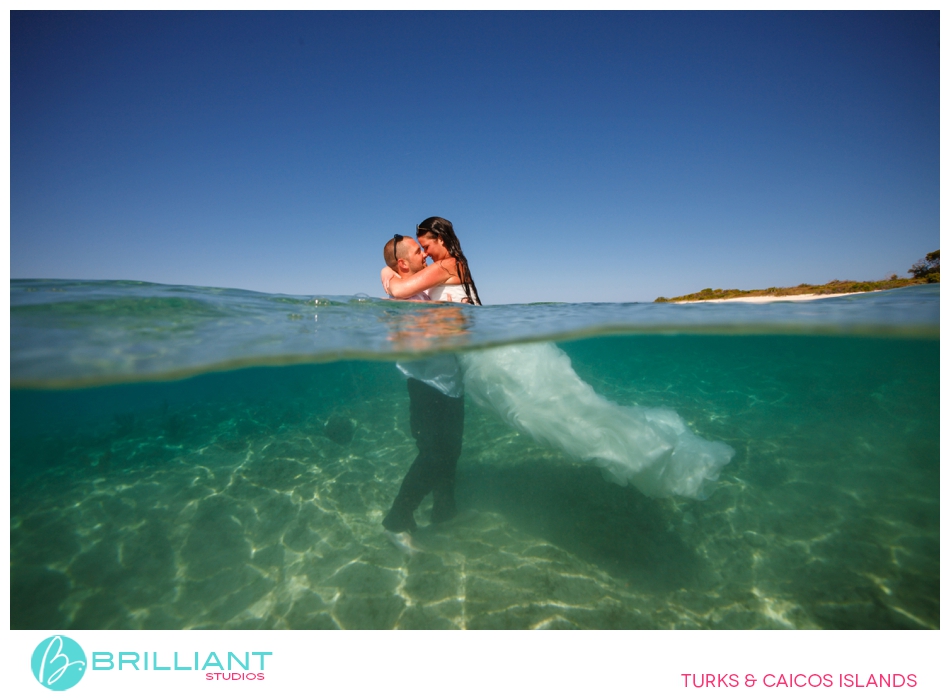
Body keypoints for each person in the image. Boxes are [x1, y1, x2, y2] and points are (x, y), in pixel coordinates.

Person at [382, 217, 736, 501]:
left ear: (440, 239)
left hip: (489, 356)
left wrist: (385, 272)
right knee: (559, 410)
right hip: (482, 354)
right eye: (420, 249)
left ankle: (645, 451)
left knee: (558, 411)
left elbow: (398, 289)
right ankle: (641, 448)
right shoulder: (455, 264)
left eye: (426, 245)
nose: (425, 254)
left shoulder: (446, 265)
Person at [379, 224, 470, 535]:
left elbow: (388, 273)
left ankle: (445, 510)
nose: (425, 256)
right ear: (404, 263)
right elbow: (414, 341)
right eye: (419, 252)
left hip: (451, 385)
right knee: (433, 456)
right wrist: (447, 320)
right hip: (426, 387)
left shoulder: (417, 287)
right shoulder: (404, 301)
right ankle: (397, 521)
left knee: (452, 452)